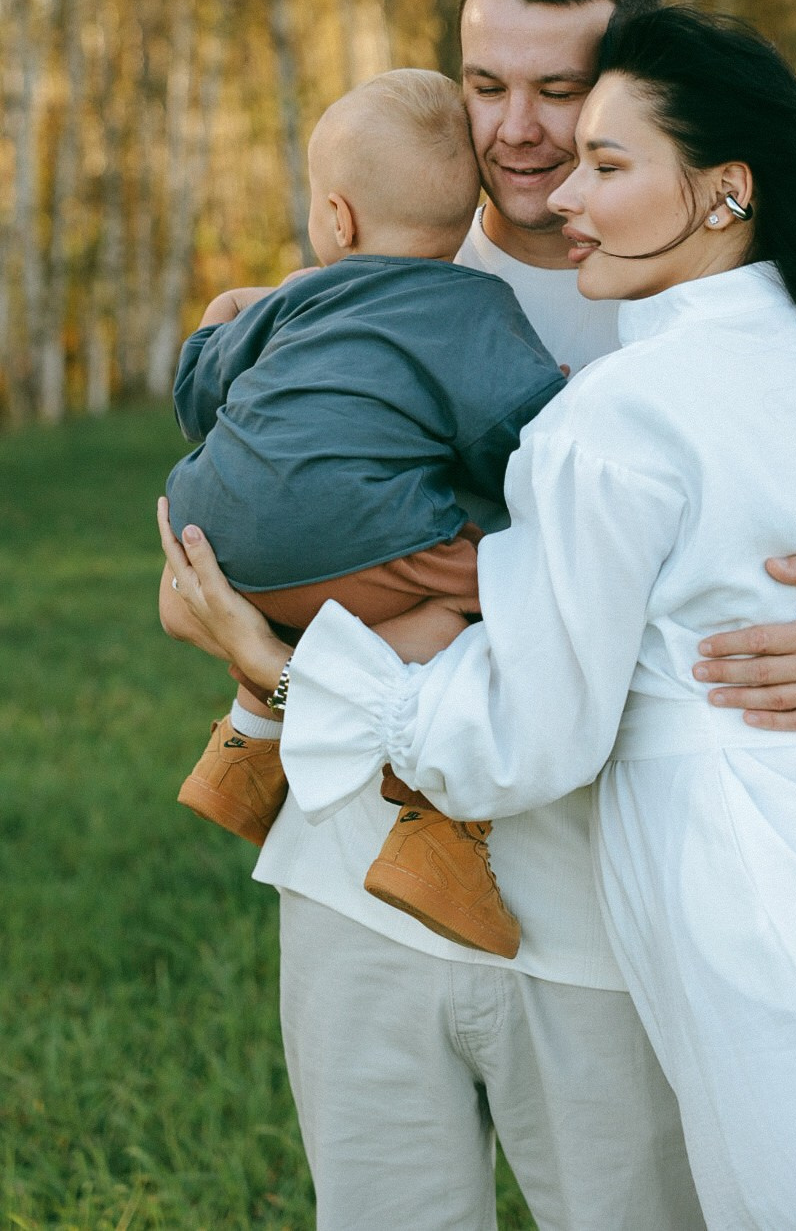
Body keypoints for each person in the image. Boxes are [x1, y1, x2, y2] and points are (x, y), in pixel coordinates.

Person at [167, 6, 796, 1229]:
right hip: (385, 887)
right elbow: (247, 513)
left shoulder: (641, 369)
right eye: (486, 84)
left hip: (631, 906)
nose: (528, 139)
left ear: (708, 177)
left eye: (577, 111)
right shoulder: (379, 274)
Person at [161, 69, 565, 958]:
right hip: (350, 536)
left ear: (337, 218)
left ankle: (250, 741)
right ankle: (436, 833)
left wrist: (220, 319)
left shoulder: (298, 294)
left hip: (209, 528)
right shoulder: (474, 304)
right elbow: (520, 446)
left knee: (350, 565)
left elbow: (199, 397)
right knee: (507, 588)